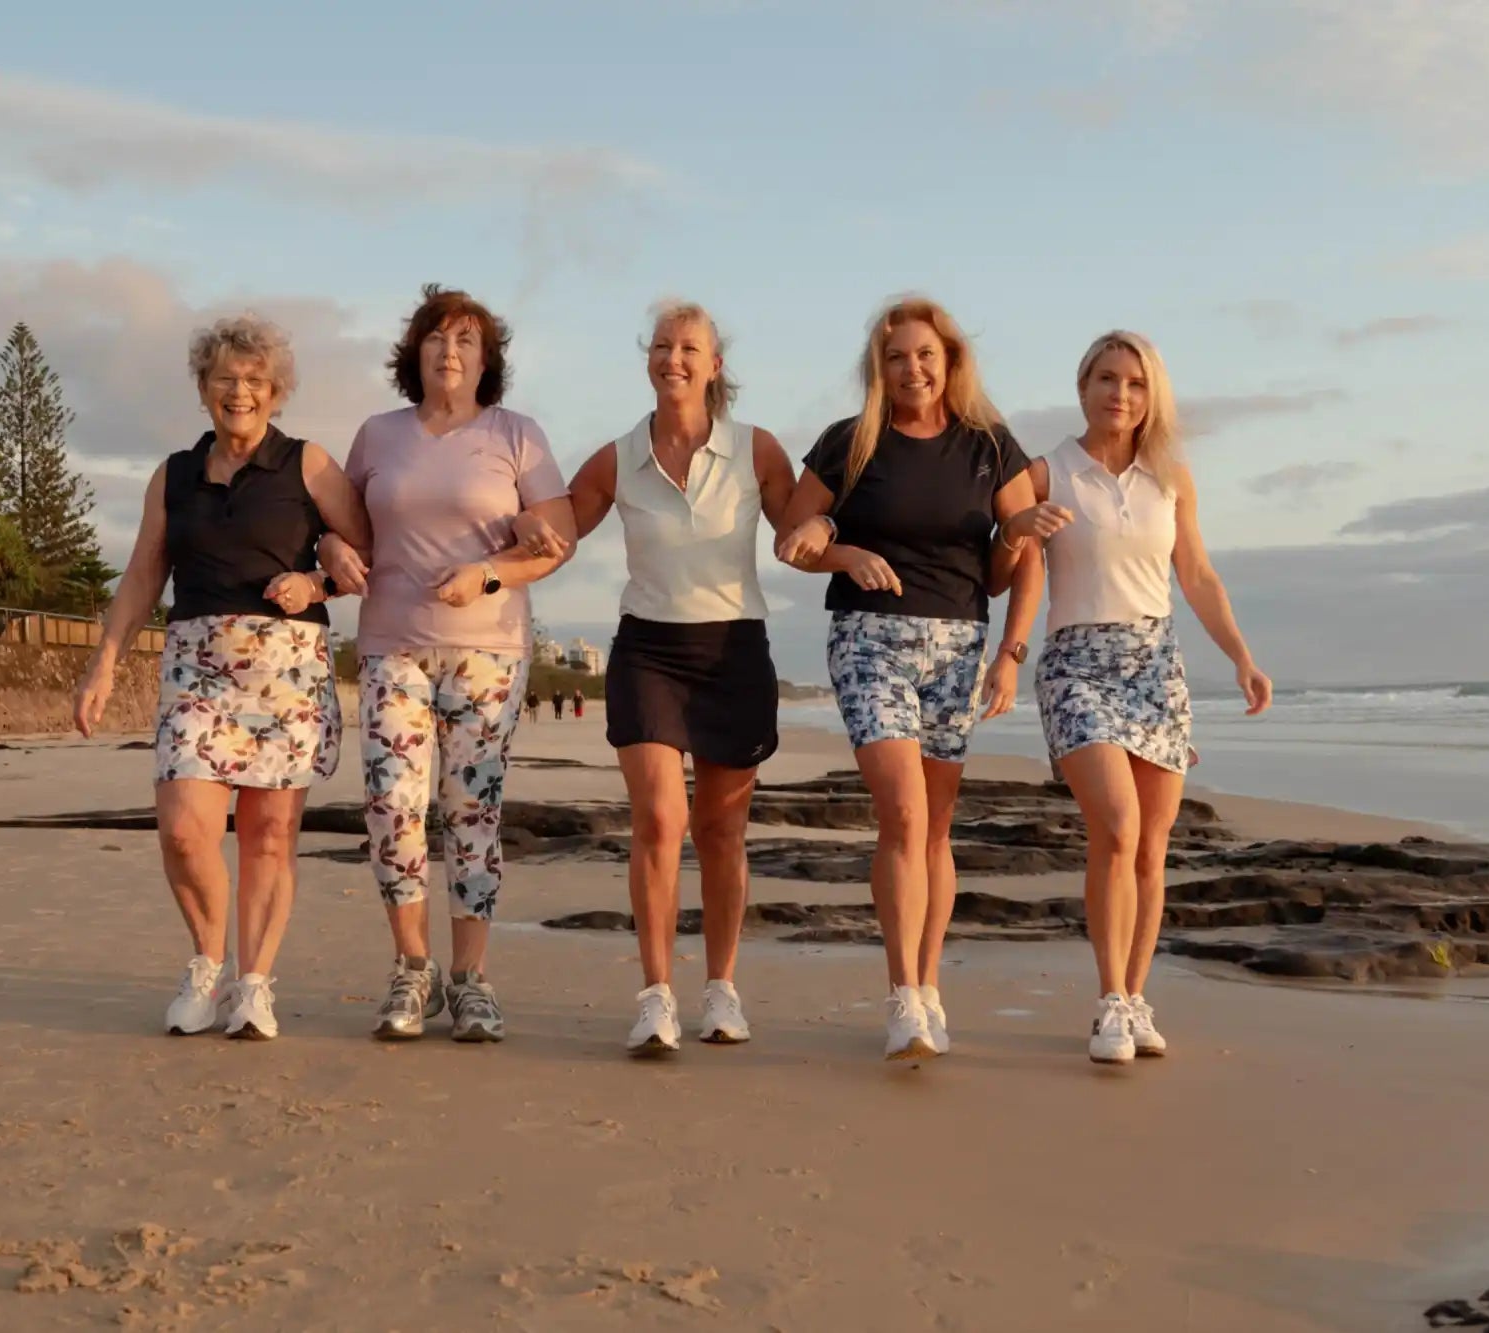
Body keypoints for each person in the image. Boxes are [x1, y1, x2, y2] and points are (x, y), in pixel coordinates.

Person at [71, 314, 368, 1042]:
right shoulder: (173, 474)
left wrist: (317, 581)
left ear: (276, 392)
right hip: (196, 665)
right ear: (204, 388)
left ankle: (254, 984)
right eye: (225, 379)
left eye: (255, 381)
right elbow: (144, 571)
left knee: (269, 838)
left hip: (287, 670)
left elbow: (367, 553)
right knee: (182, 830)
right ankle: (207, 964)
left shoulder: (309, 464)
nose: (240, 392)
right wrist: (104, 661)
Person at [514, 300, 796, 1056]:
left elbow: (804, 526)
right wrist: (508, 545)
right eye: (664, 346)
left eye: (690, 348)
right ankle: (656, 996)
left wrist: (846, 542)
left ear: (715, 365)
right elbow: (558, 531)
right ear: (649, 360)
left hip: (734, 650)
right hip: (649, 653)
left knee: (722, 830)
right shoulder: (617, 456)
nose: (675, 358)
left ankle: (721, 988)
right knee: (660, 823)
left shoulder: (758, 450)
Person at [776, 296, 1043, 1060]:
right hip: (869, 639)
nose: (912, 368)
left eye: (925, 354)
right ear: (879, 368)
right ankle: (901, 996)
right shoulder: (848, 443)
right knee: (901, 812)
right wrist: (844, 552)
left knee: (935, 825)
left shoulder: (990, 445)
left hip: (959, 643)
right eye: (896, 357)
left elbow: (1017, 567)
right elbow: (791, 541)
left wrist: (1011, 656)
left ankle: (929, 987)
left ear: (950, 361)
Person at [1002, 330, 1271, 1064]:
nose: (1121, 394)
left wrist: (1241, 657)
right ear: (1083, 385)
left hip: (1157, 665)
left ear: (1152, 396)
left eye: (1136, 382)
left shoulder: (1171, 477)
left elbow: (1198, 575)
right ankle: (1109, 1002)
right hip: (1075, 664)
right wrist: (1018, 533)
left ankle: (1135, 996)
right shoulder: (1046, 469)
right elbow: (1005, 559)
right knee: (1116, 826)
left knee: (1152, 846)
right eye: (1107, 378)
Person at [319, 284, 576, 1044]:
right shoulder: (378, 435)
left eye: (467, 339)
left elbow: (556, 540)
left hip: (489, 647)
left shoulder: (516, 434)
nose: (451, 350)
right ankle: (412, 969)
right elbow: (346, 533)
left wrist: (492, 570)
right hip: (392, 640)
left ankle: (470, 979)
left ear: (486, 358)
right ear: (415, 352)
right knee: (393, 806)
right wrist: (331, 551)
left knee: (472, 810)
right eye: (437, 337)